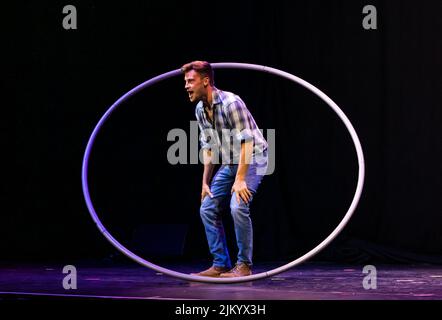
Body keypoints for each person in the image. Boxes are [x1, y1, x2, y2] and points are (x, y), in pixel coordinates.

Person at [182, 61, 268, 277]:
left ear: (206, 81)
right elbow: (209, 148)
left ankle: (244, 266)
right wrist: (205, 182)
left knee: (237, 206)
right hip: (230, 162)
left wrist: (240, 179)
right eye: (185, 81)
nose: (186, 85)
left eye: (190, 81)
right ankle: (220, 263)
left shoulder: (231, 103)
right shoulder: (200, 110)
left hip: (254, 157)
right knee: (207, 208)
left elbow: (247, 142)